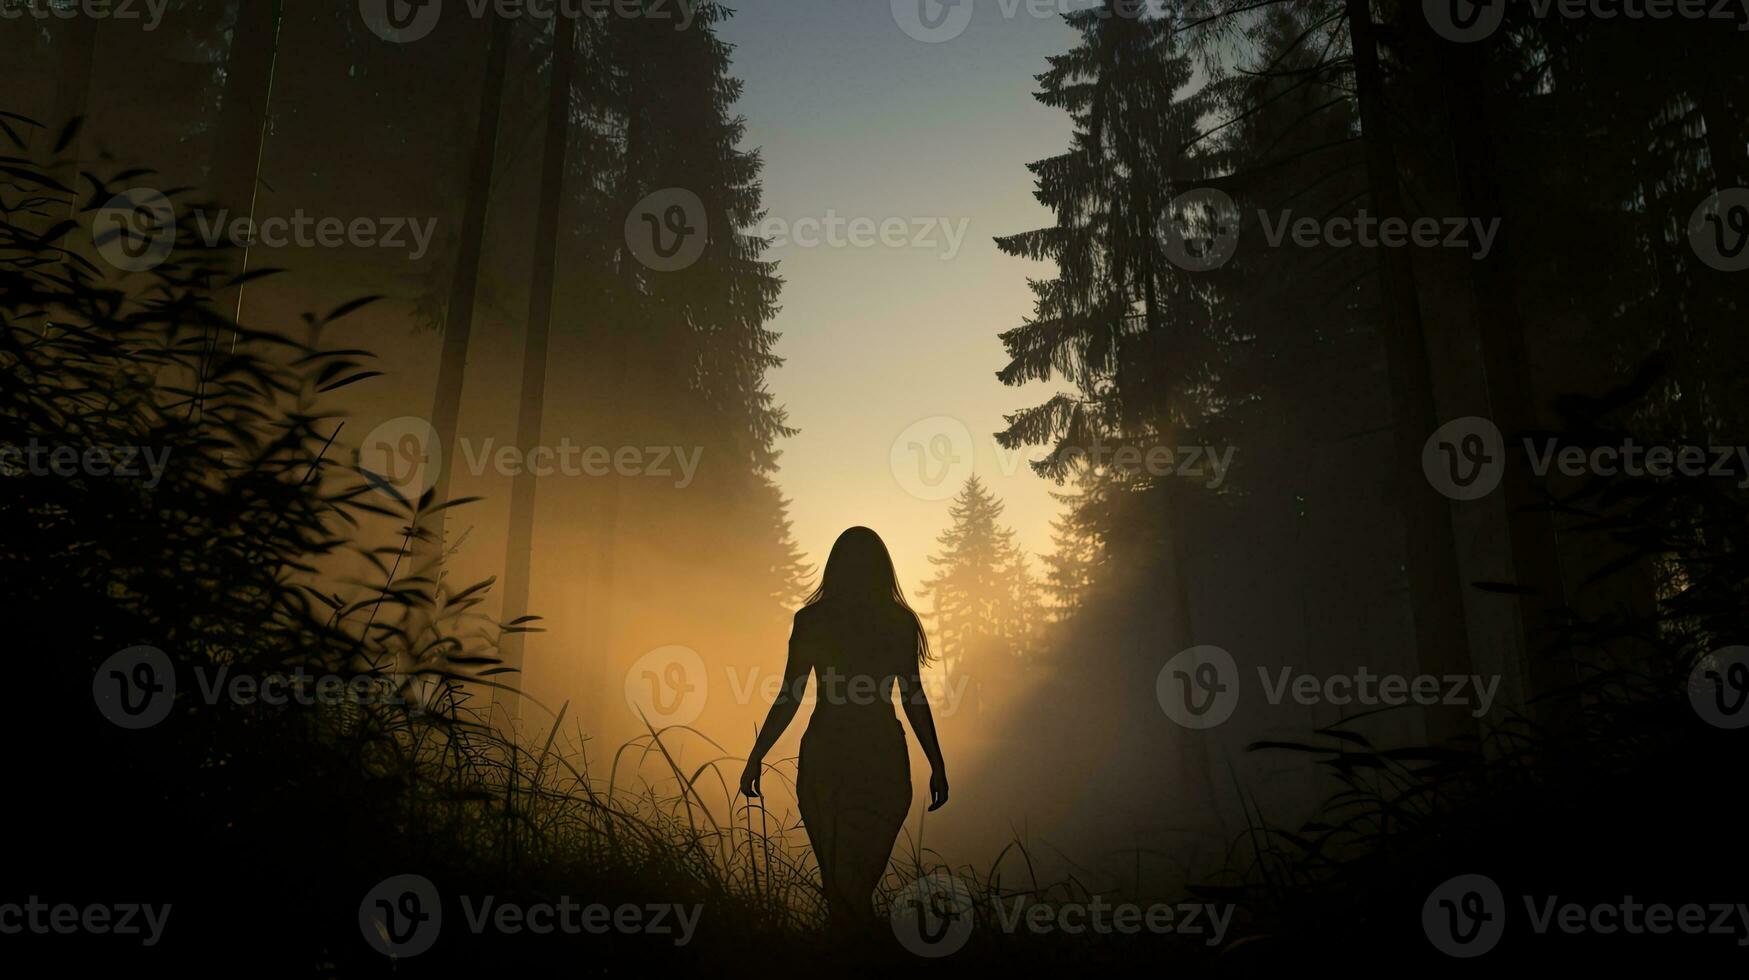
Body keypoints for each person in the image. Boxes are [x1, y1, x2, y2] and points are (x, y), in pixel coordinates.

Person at [740, 526, 950, 929]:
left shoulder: (813, 621)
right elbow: (912, 697)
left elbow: (790, 695)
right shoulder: (897, 622)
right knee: (851, 886)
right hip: (879, 755)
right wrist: (936, 764)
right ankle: (859, 955)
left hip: (828, 754)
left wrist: (756, 756)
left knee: (841, 884)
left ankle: (845, 954)